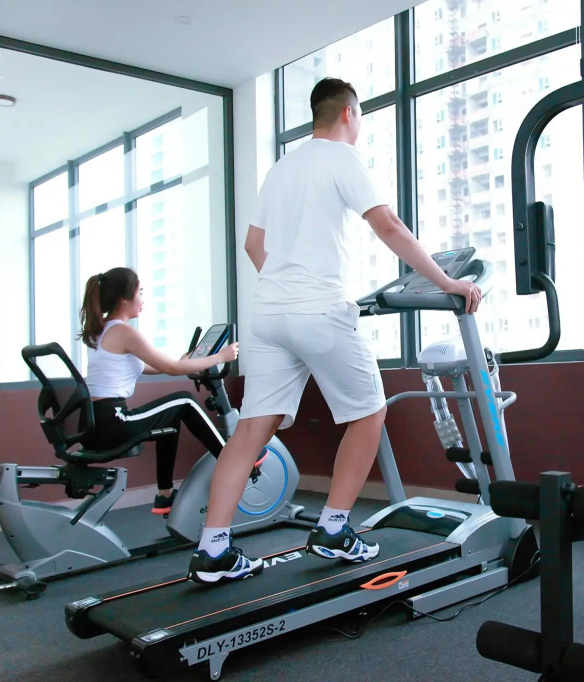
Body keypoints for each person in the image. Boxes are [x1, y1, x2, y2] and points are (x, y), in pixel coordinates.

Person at [187, 77, 482, 585]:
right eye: (360, 116)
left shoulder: (282, 167)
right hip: (320, 309)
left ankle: (212, 548)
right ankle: (333, 529)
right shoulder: (343, 158)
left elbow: (253, 245)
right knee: (369, 413)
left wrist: (287, 285)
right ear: (349, 113)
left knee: (252, 428)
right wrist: (448, 281)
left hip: (269, 314)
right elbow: (388, 226)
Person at [78, 266, 240, 514]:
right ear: (124, 299)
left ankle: (165, 495)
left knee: (170, 420)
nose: (143, 299)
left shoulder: (104, 330)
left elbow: (147, 366)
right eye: (140, 292)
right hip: (112, 421)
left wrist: (182, 361)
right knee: (185, 402)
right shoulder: (123, 332)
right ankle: (235, 462)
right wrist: (220, 356)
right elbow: (172, 369)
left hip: (96, 423)